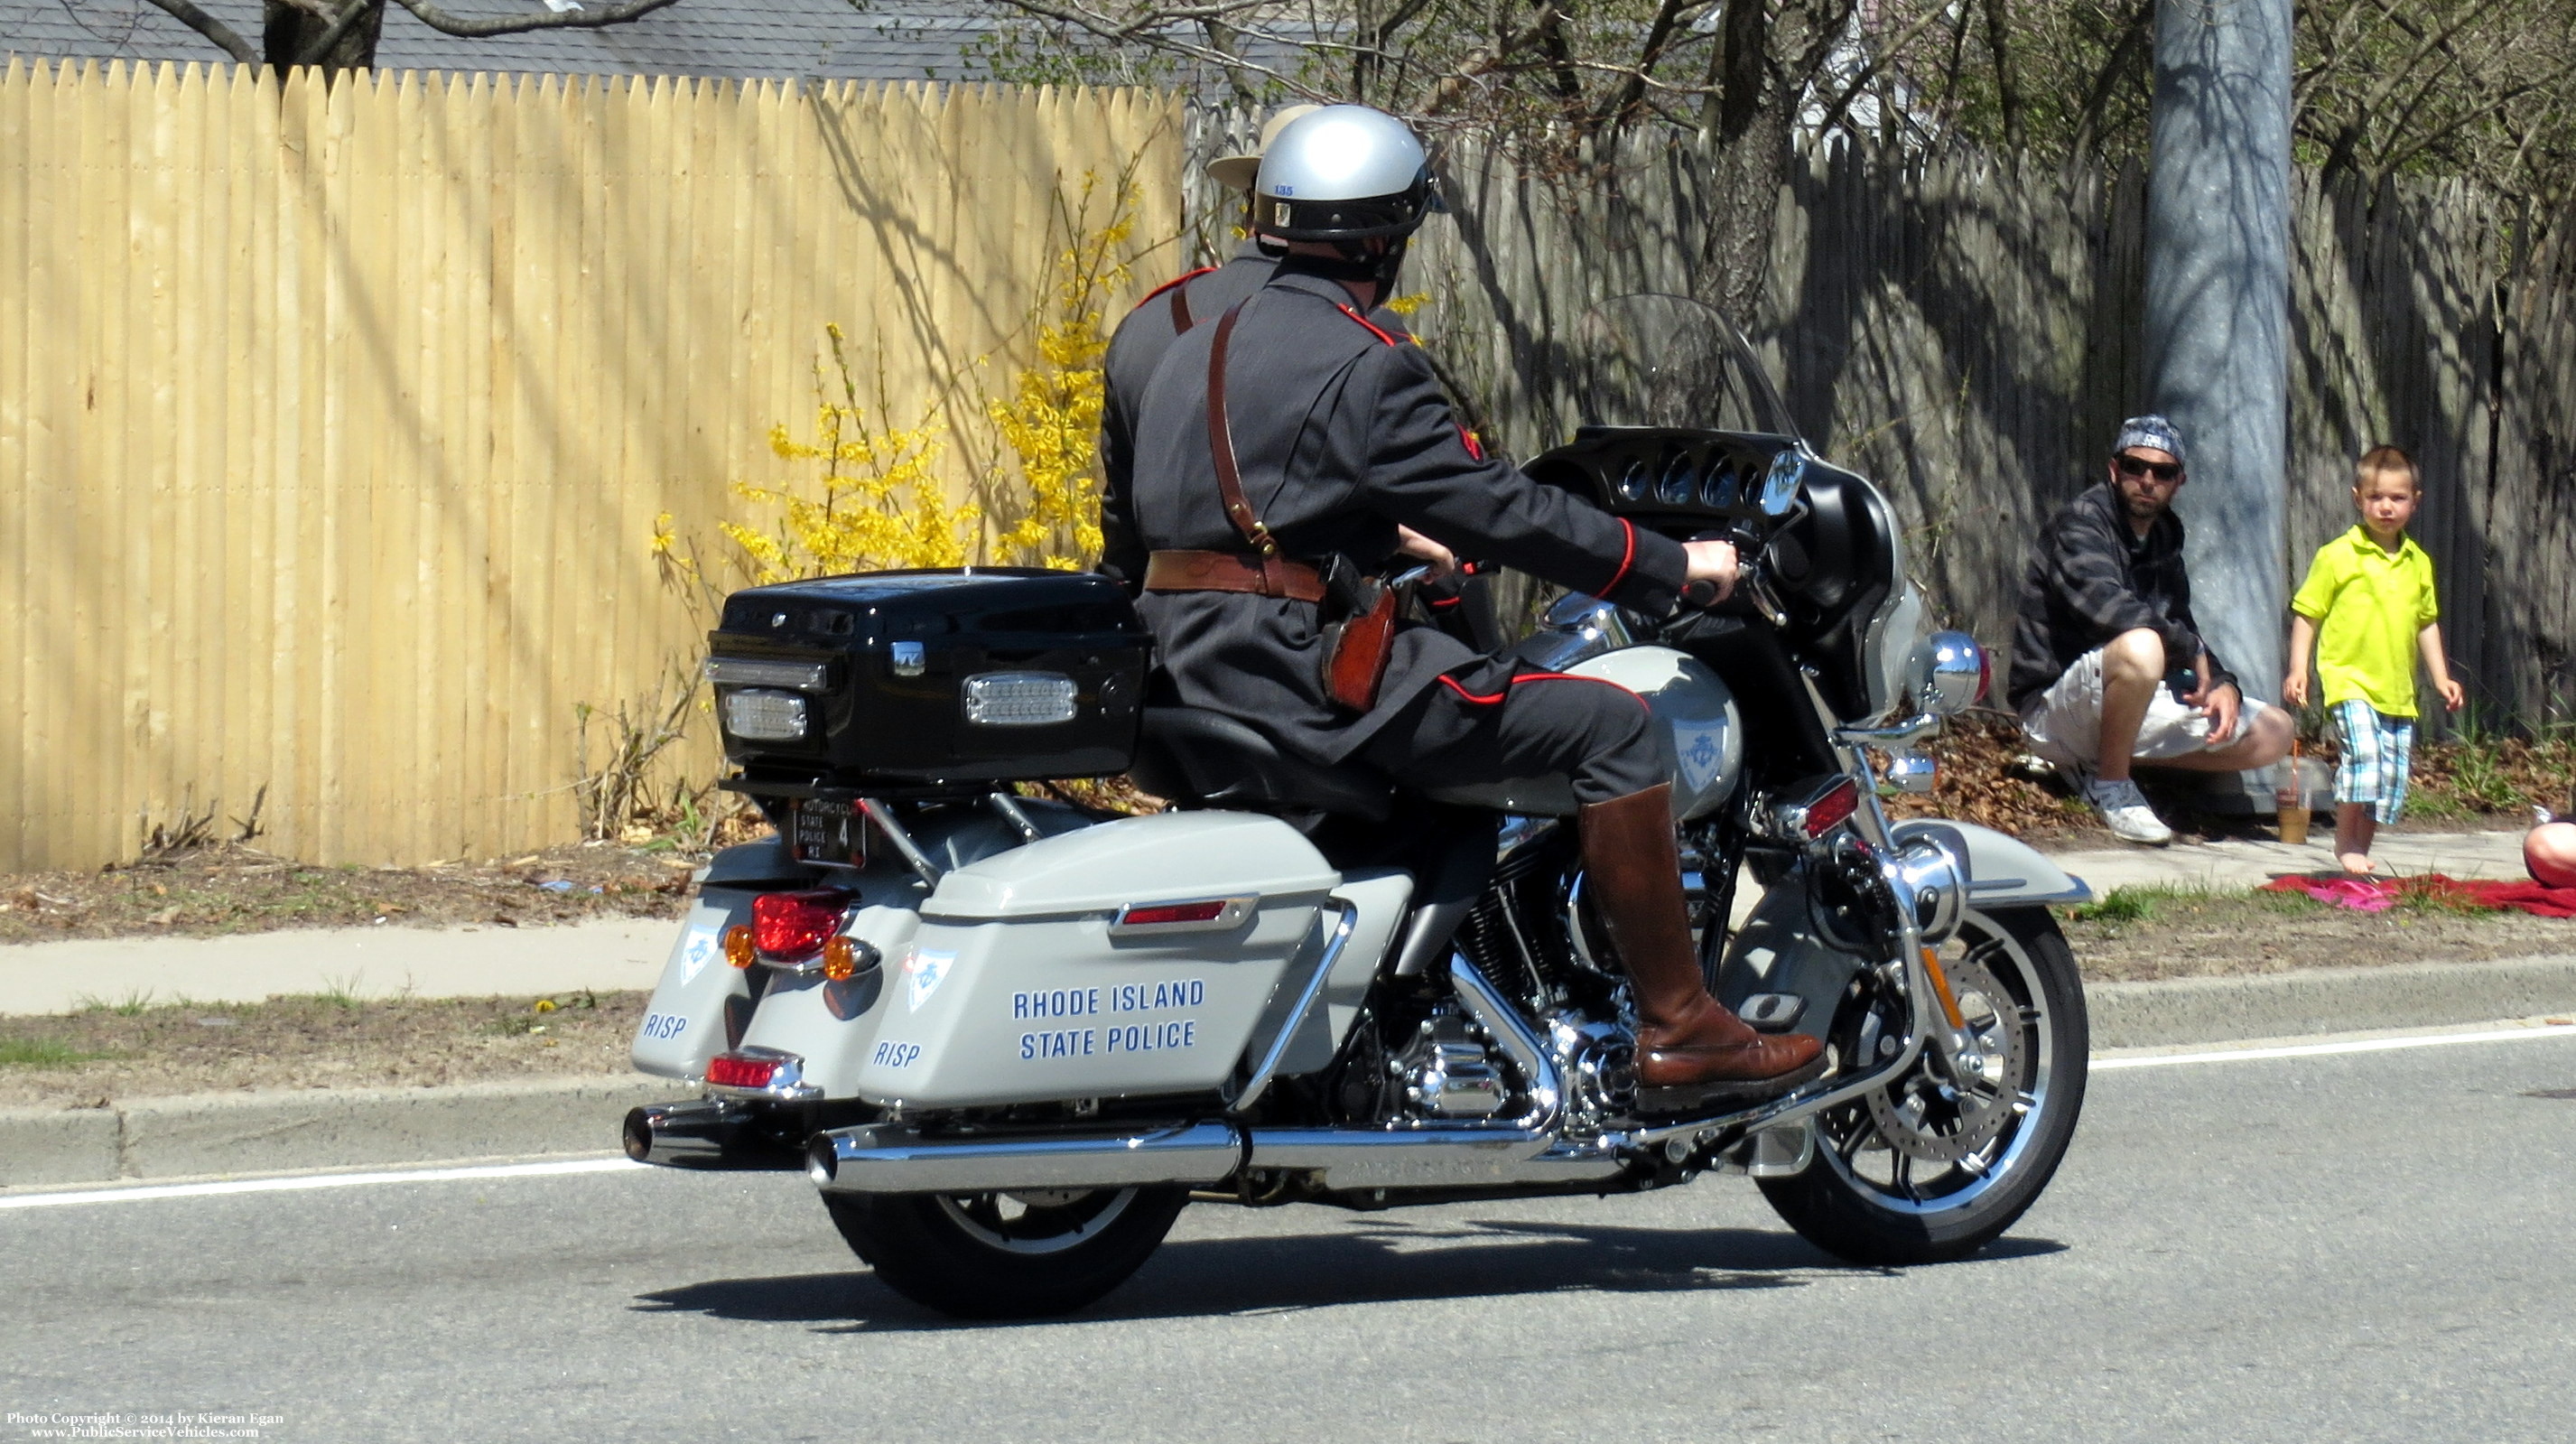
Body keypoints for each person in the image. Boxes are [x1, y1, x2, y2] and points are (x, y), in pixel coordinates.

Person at [1122, 104, 1822, 1103]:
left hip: (1183, 669)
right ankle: (1682, 1029)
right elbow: (1502, 512)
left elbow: (1200, 520)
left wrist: (1383, 540)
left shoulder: (1183, 343)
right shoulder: (1365, 358)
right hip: (1294, 678)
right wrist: (1673, 566)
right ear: (1380, 235)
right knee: (1612, 731)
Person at [2010, 415, 2295, 845]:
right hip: (2055, 709)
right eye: (2134, 466)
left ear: (2179, 481)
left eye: (2161, 472)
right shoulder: (2081, 525)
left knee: (2275, 730)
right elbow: (2109, 610)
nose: (2146, 480)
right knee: (2143, 646)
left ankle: (2109, 768)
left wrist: (2219, 681)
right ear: (2113, 470)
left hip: (2123, 703)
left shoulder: (2163, 539)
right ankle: (2112, 786)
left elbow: (2182, 625)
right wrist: (2188, 648)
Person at [2283, 445, 2466, 873]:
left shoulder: (2417, 562)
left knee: (2386, 779)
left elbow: (2426, 623)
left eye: (2397, 498)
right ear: (2357, 498)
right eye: (2375, 497)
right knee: (2364, 759)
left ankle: (2359, 853)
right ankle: (2345, 845)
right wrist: (2298, 669)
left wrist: (2441, 677)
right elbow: (2308, 614)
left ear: (2414, 501)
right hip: (2349, 681)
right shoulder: (2337, 556)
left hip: (2397, 690)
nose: (2386, 507)